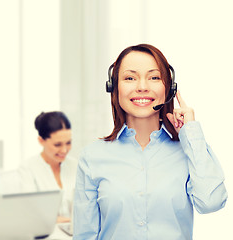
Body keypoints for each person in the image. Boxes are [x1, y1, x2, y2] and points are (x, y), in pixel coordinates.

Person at [73, 44, 228, 240]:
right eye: (130, 78)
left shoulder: (188, 150)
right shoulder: (92, 156)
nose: (142, 87)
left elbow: (211, 202)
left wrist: (191, 134)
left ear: (169, 88)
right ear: (113, 87)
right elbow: (84, 235)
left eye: (154, 77)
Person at [19, 111, 77, 223]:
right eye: (57, 144)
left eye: (68, 143)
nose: (64, 150)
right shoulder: (28, 168)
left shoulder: (75, 165)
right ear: (41, 141)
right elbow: (30, 213)